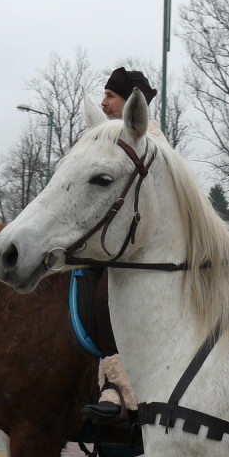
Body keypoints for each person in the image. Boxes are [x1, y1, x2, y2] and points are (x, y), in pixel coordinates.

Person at [81, 67, 163, 423]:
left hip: (139, 251)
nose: (103, 102)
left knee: (104, 296)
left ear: (129, 102)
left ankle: (116, 385)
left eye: (110, 96)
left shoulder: (150, 143)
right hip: (106, 241)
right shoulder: (106, 139)